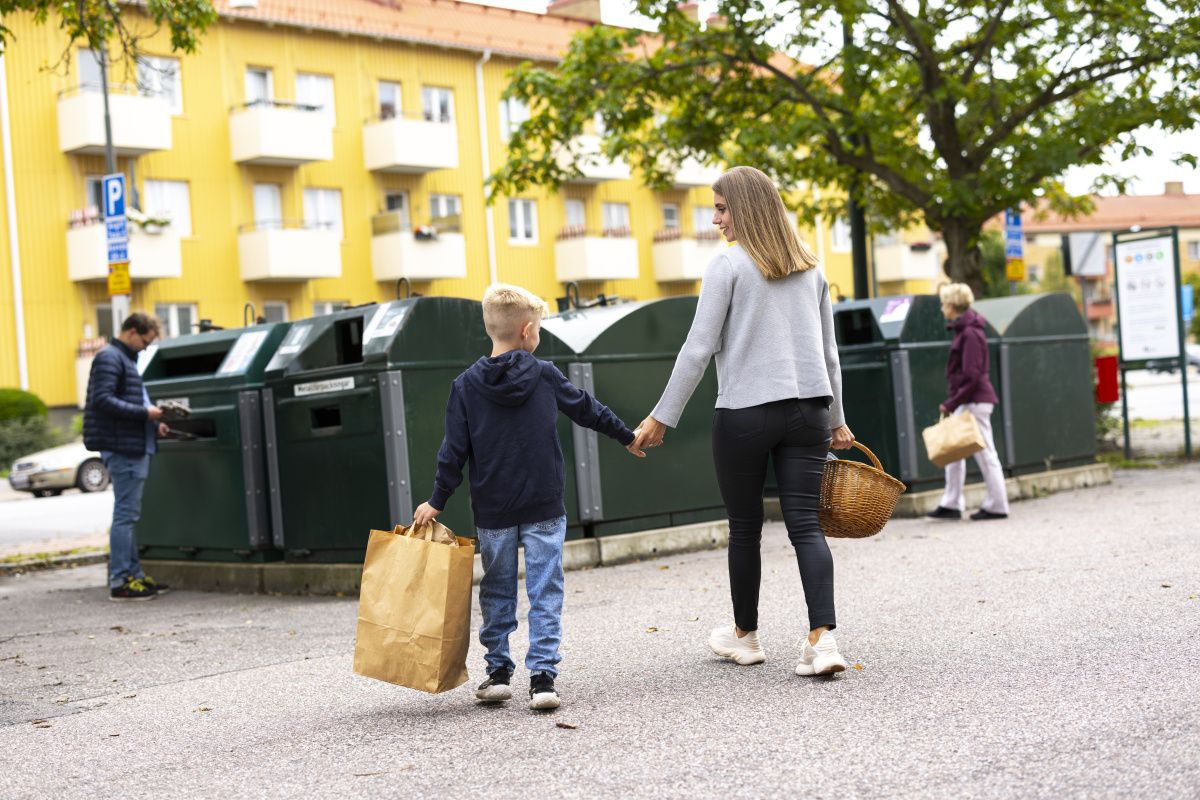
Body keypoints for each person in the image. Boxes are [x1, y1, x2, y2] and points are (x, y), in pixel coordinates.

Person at [631, 166, 854, 677]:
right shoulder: (810, 268)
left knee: (745, 527)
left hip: (746, 413)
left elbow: (698, 349)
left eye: (723, 208)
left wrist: (661, 417)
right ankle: (823, 642)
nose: (715, 220)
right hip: (809, 411)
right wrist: (837, 419)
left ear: (747, 208)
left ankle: (745, 636)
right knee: (805, 525)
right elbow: (830, 355)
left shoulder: (728, 266)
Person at [412, 284, 643, 710]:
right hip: (543, 505)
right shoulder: (543, 374)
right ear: (527, 330)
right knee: (545, 588)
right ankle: (543, 679)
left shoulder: (465, 385)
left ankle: (498, 672)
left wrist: (437, 500)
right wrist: (626, 436)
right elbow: (587, 408)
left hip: (493, 509)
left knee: (498, 589)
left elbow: (453, 451)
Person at [83, 313, 171, 601]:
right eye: (144, 342)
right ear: (132, 332)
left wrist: (152, 424)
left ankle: (135, 577)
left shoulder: (123, 359)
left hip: (132, 443)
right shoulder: (110, 357)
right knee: (125, 515)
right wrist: (145, 413)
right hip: (123, 447)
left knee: (129, 515)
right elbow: (103, 400)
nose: (144, 349)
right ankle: (121, 580)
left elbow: (126, 401)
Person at [926, 283, 1009, 521]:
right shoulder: (966, 330)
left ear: (952, 305)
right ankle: (951, 503)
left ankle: (997, 505)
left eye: (943, 303)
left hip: (974, 400)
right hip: (969, 399)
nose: (942, 307)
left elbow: (972, 375)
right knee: (954, 451)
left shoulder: (970, 333)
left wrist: (952, 402)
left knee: (985, 454)